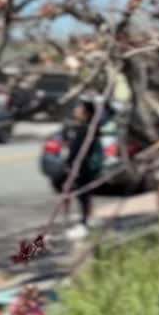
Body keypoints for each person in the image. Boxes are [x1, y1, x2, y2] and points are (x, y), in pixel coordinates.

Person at [64, 99, 103, 239]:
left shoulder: (84, 130)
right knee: (83, 195)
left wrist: (70, 165)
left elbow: (77, 151)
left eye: (79, 108)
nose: (75, 110)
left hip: (81, 167)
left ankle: (83, 222)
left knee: (81, 195)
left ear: (86, 114)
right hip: (82, 167)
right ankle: (85, 220)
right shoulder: (85, 128)